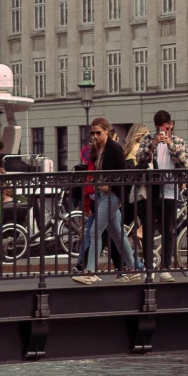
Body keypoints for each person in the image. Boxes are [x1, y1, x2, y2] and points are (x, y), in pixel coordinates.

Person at [72, 119, 139, 281]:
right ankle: (133, 268)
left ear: (107, 131)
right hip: (102, 195)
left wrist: (109, 186)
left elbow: (125, 175)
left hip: (113, 195)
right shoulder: (97, 149)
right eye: (92, 133)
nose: (95, 136)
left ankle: (89, 272)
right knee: (118, 234)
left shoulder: (115, 149)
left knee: (96, 232)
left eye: (98, 133)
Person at [137, 111, 188, 277]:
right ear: (155, 127)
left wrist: (170, 146)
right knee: (149, 230)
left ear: (171, 125)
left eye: (166, 128)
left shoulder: (178, 141)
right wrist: (153, 144)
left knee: (169, 230)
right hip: (152, 189)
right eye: (160, 128)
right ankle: (149, 268)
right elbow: (140, 159)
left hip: (170, 189)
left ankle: (166, 268)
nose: (163, 131)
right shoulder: (147, 139)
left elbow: (186, 163)